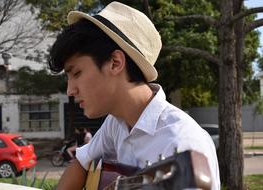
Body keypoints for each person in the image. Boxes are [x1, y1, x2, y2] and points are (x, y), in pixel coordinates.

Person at [48, 2, 220, 190]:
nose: (70, 90)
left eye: (77, 73)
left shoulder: (181, 143)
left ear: (115, 63)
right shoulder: (116, 123)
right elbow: (80, 162)